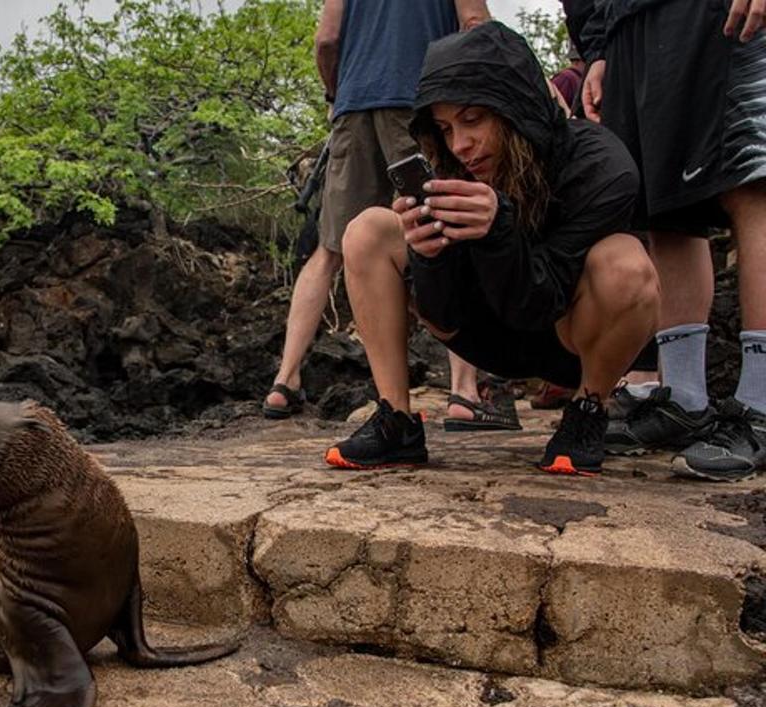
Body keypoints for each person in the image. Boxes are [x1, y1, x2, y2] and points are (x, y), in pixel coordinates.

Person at [323, 21, 660, 476]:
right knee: (368, 229)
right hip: (479, 330)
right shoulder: (453, 168)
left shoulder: (601, 166)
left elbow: (535, 307)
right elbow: (444, 316)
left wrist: (500, 227)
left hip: (564, 339)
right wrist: (430, 254)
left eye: (473, 119)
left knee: (627, 261)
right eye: (444, 128)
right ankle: (397, 420)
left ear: (514, 107)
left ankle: (587, 411)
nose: (461, 145)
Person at [262, 0, 513, 431]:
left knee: (329, 249)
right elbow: (474, 23)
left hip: (354, 104)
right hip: (425, 104)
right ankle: (465, 393)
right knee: (445, 229)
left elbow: (327, 39)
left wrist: (336, 94)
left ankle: (284, 380)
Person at [578, 0, 766, 480]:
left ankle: (761, 403)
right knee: (667, 208)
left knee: (752, 185)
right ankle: (683, 400)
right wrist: (600, 47)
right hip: (633, 22)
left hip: (724, 13)